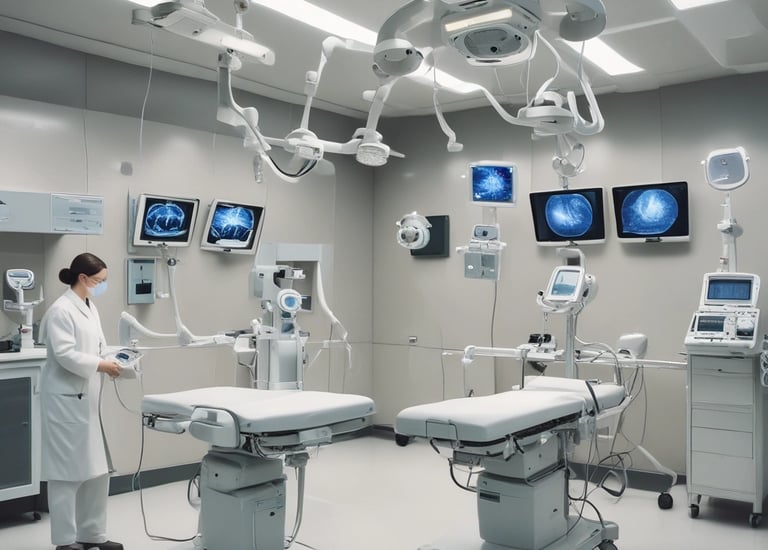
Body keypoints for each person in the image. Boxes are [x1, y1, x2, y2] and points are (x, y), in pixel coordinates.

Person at [40, 253, 124, 550]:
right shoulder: (62, 310)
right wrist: (101, 366)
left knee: (97, 470)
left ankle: (92, 534)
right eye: (99, 281)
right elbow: (64, 354)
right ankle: (65, 542)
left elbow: (99, 346)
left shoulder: (90, 306)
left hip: (88, 401)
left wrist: (113, 360)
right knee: (66, 474)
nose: (102, 286)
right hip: (65, 401)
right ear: (83, 279)